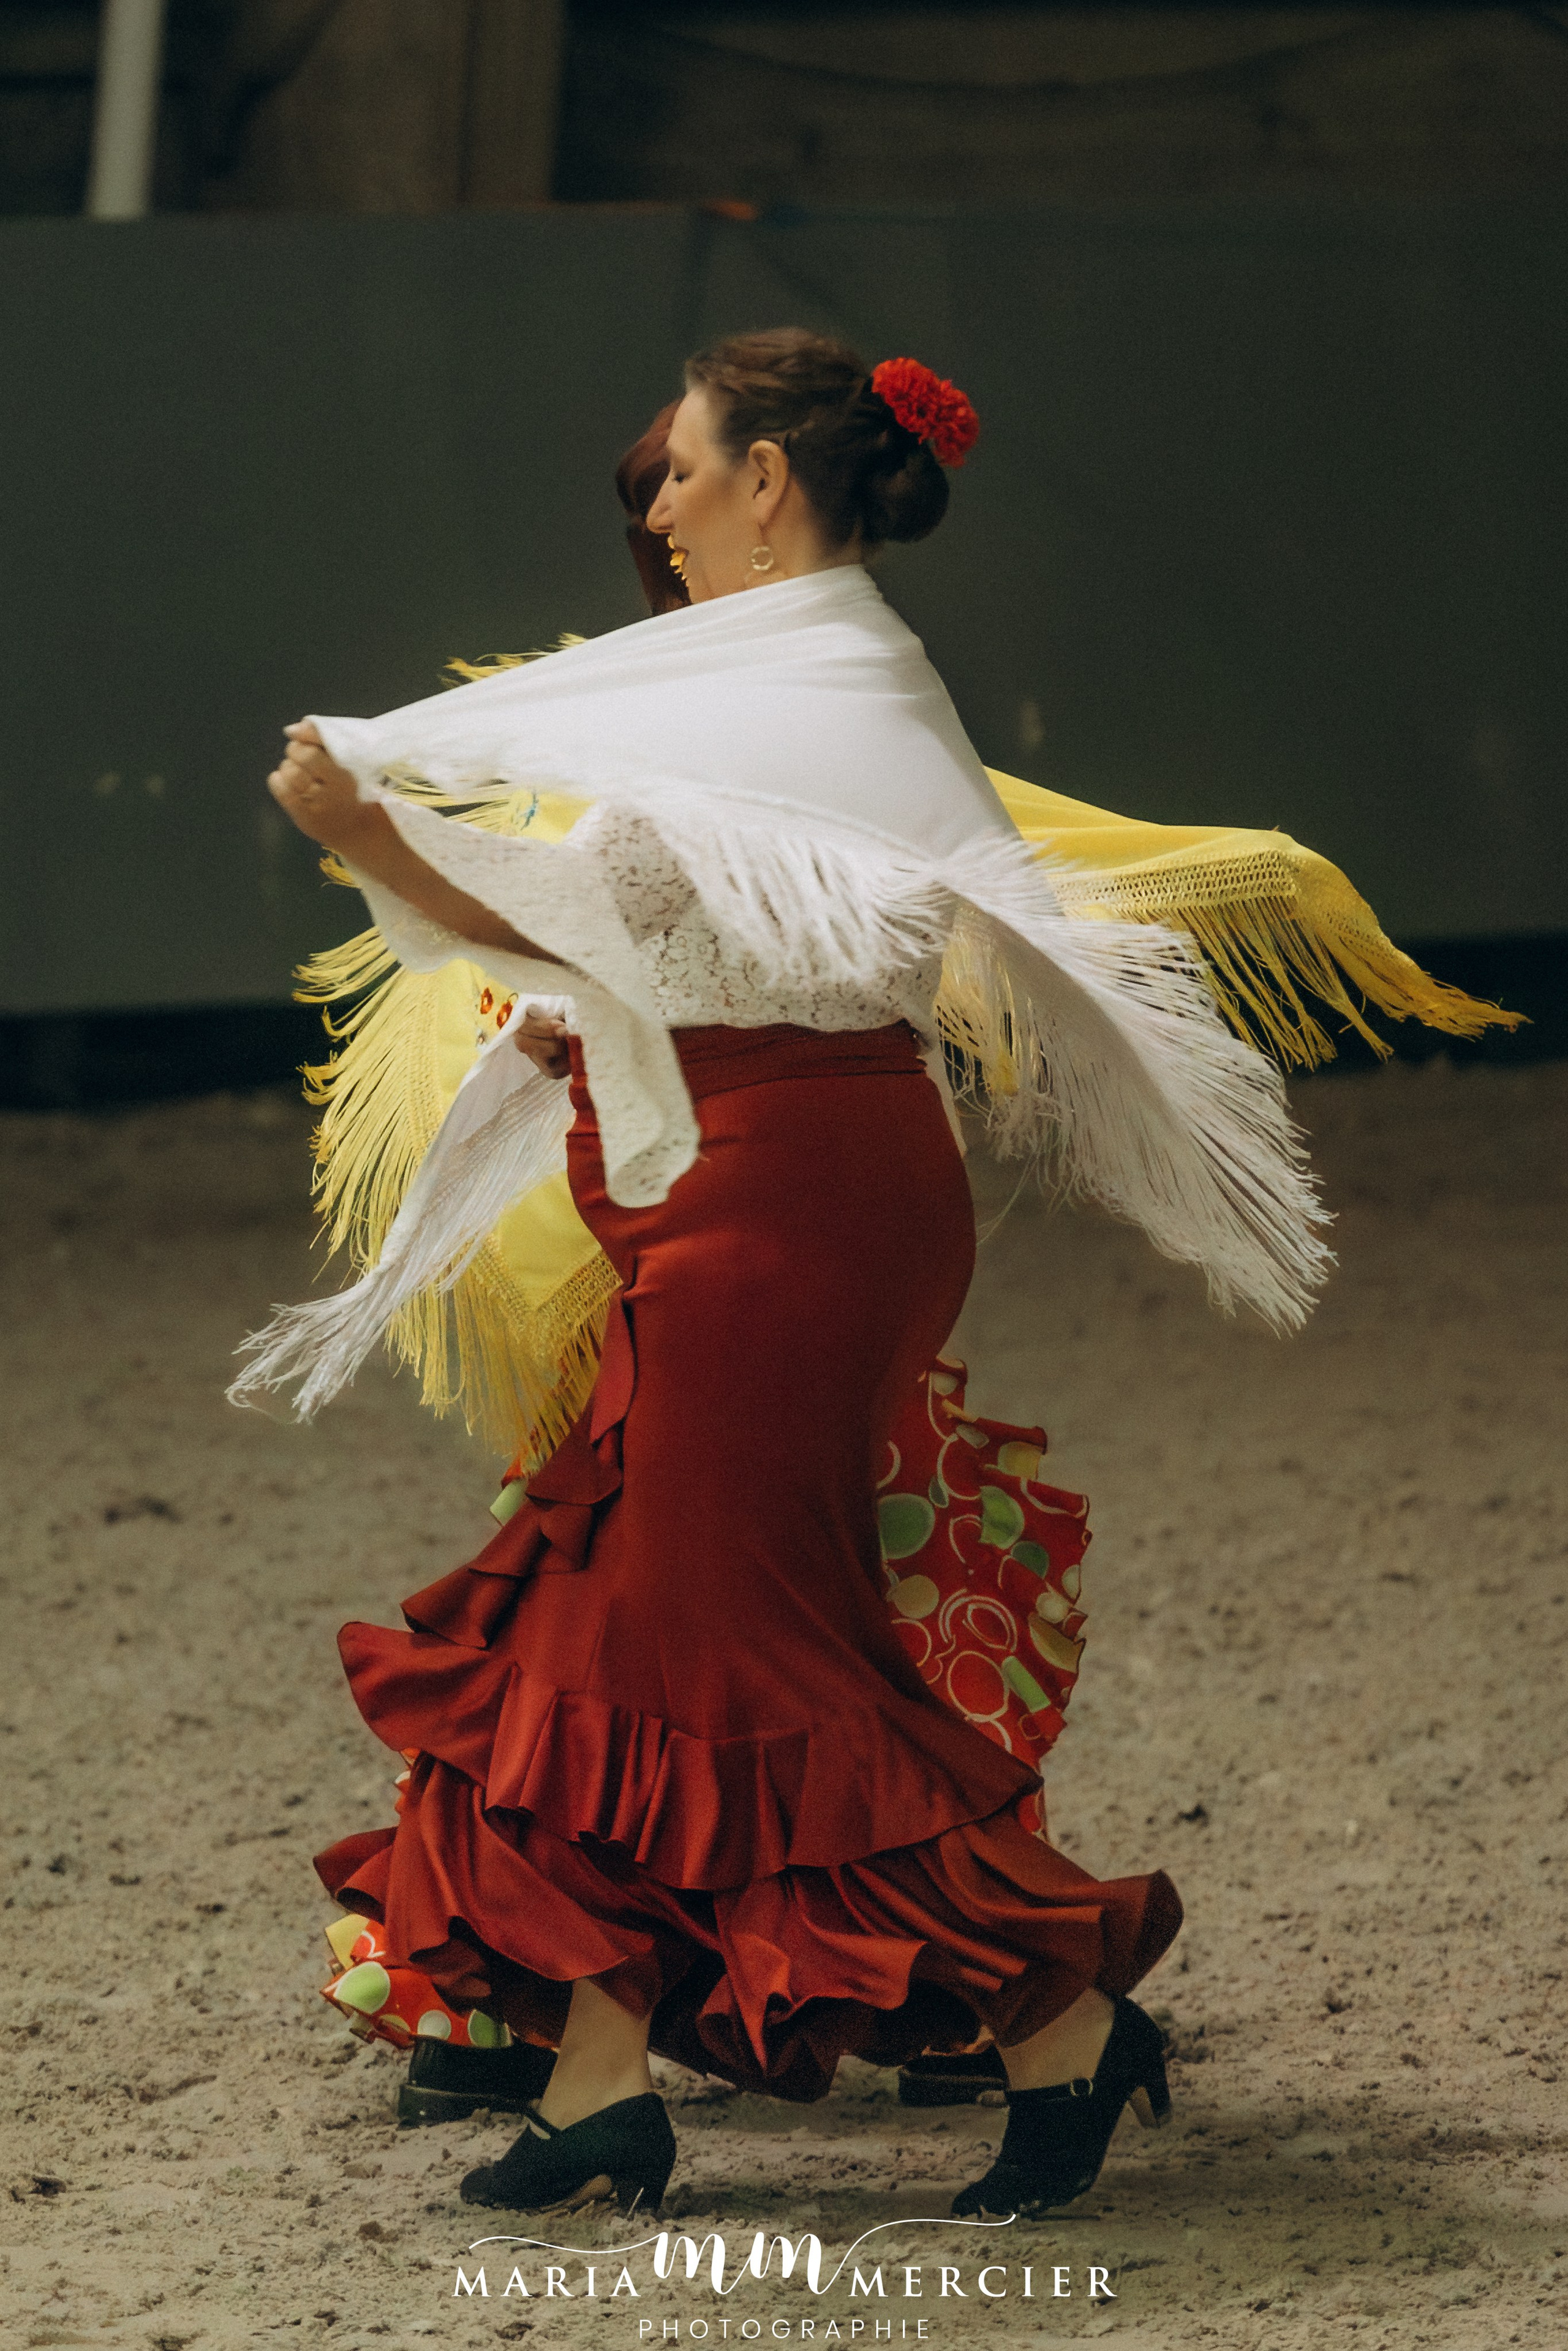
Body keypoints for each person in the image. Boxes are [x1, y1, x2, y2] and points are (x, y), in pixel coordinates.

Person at [247, 329, 1508, 2221]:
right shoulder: (769, 679)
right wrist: (415, 860)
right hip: (755, 1193)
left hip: (791, 1205)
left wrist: (378, 835)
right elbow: (630, 939)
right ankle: (598, 2084)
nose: (653, 502)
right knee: (604, 1635)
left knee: (749, 1658)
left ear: (772, 479)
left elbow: (617, 919)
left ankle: (1055, 2012)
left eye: (681, 466)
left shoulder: (823, 681)